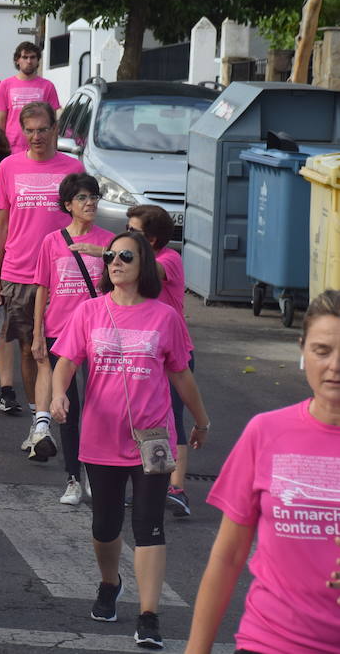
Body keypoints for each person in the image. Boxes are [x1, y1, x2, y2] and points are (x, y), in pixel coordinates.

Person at [50, 230, 209, 649]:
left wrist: (201, 420)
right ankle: (110, 583)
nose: (115, 262)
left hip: (153, 435)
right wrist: (57, 394)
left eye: (125, 256)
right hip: (101, 436)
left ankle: (149, 615)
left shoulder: (165, 317)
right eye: (110, 256)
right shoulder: (88, 312)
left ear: (144, 267)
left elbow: (180, 373)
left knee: (149, 526)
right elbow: (66, 361)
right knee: (104, 527)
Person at [185, 291, 340, 654]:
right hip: (268, 641)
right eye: (322, 351)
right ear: (303, 350)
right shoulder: (266, 432)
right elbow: (228, 556)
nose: (335, 365)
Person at [0, 102, 84, 425]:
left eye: (42, 129)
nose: (36, 137)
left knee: (69, 349)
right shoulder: (9, 167)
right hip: (20, 271)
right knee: (30, 348)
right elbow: (2, 223)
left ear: (55, 129)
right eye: (29, 130)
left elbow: (83, 220)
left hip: (65, 274)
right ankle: (37, 420)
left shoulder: (73, 169)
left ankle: (66, 410)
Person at [31, 173, 114, 489]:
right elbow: (42, 288)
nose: (90, 202)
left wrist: (102, 254)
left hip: (99, 333)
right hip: (59, 331)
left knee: (99, 406)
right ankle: (72, 477)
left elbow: (128, 274)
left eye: (93, 197)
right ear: (68, 205)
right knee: (67, 406)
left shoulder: (108, 241)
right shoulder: (52, 241)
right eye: (82, 198)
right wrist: (38, 334)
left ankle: (96, 472)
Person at [126, 203, 193, 514]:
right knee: (142, 417)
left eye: (132, 232)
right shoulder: (134, 261)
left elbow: (153, 271)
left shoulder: (170, 259)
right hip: (142, 350)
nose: (125, 237)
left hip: (173, 351)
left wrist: (98, 249)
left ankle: (176, 487)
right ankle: (151, 483)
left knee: (172, 419)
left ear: (150, 239)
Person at [0, 41, 60, 147]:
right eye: (25, 57)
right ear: (17, 60)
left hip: (40, 146)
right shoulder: (5, 85)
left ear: (38, 60)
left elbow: (53, 122)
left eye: (33, 57)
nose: (29, 61)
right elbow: (1, 120)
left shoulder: (48, 86)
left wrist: (53, 150)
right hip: (12, 147)